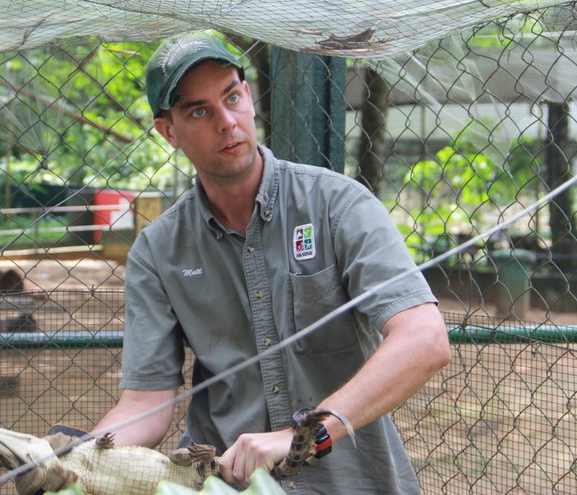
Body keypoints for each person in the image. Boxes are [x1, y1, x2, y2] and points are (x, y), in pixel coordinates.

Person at [92, 32, 451, 494]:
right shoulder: (158, 251)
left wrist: (301, 436)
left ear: (249, 98)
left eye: (232, 96)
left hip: (355, 482)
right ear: (169, 132)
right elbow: (146, 401)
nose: (226, 121)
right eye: (199, 111)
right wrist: (80, 454)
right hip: (228, 484)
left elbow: (425, 338)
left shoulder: (336, 204)